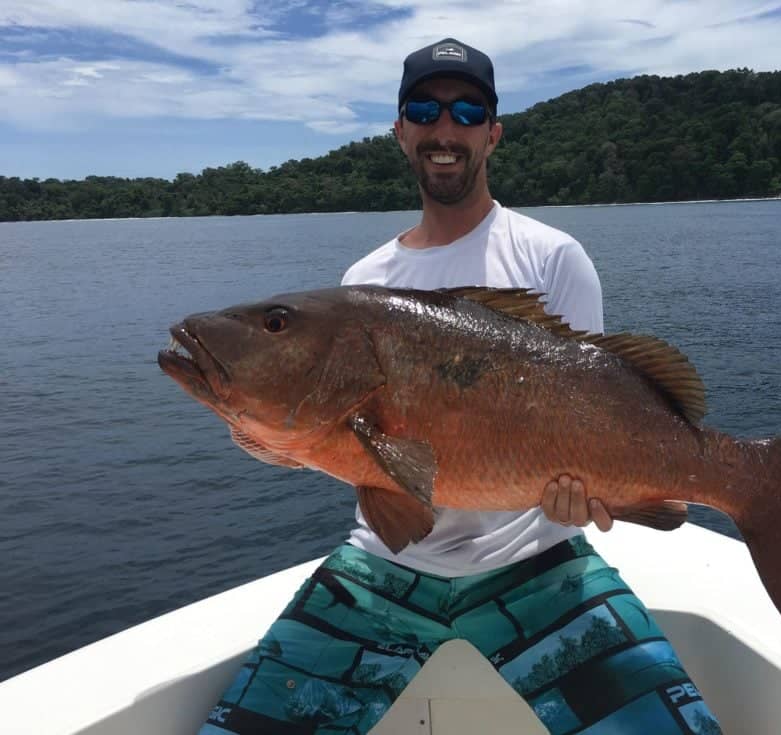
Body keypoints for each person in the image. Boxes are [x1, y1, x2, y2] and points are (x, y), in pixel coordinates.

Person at [200, 38, 721, 735]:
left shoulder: (553, 257)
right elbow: (357, 462)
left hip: (540, 565)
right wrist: (259, 432)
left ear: (493, 133)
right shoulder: (365, 279)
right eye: (424, 109)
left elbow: (599, 407)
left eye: (466, 111)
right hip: (380, 567)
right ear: (401, 131)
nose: (445, 130)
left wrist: (590, 496)